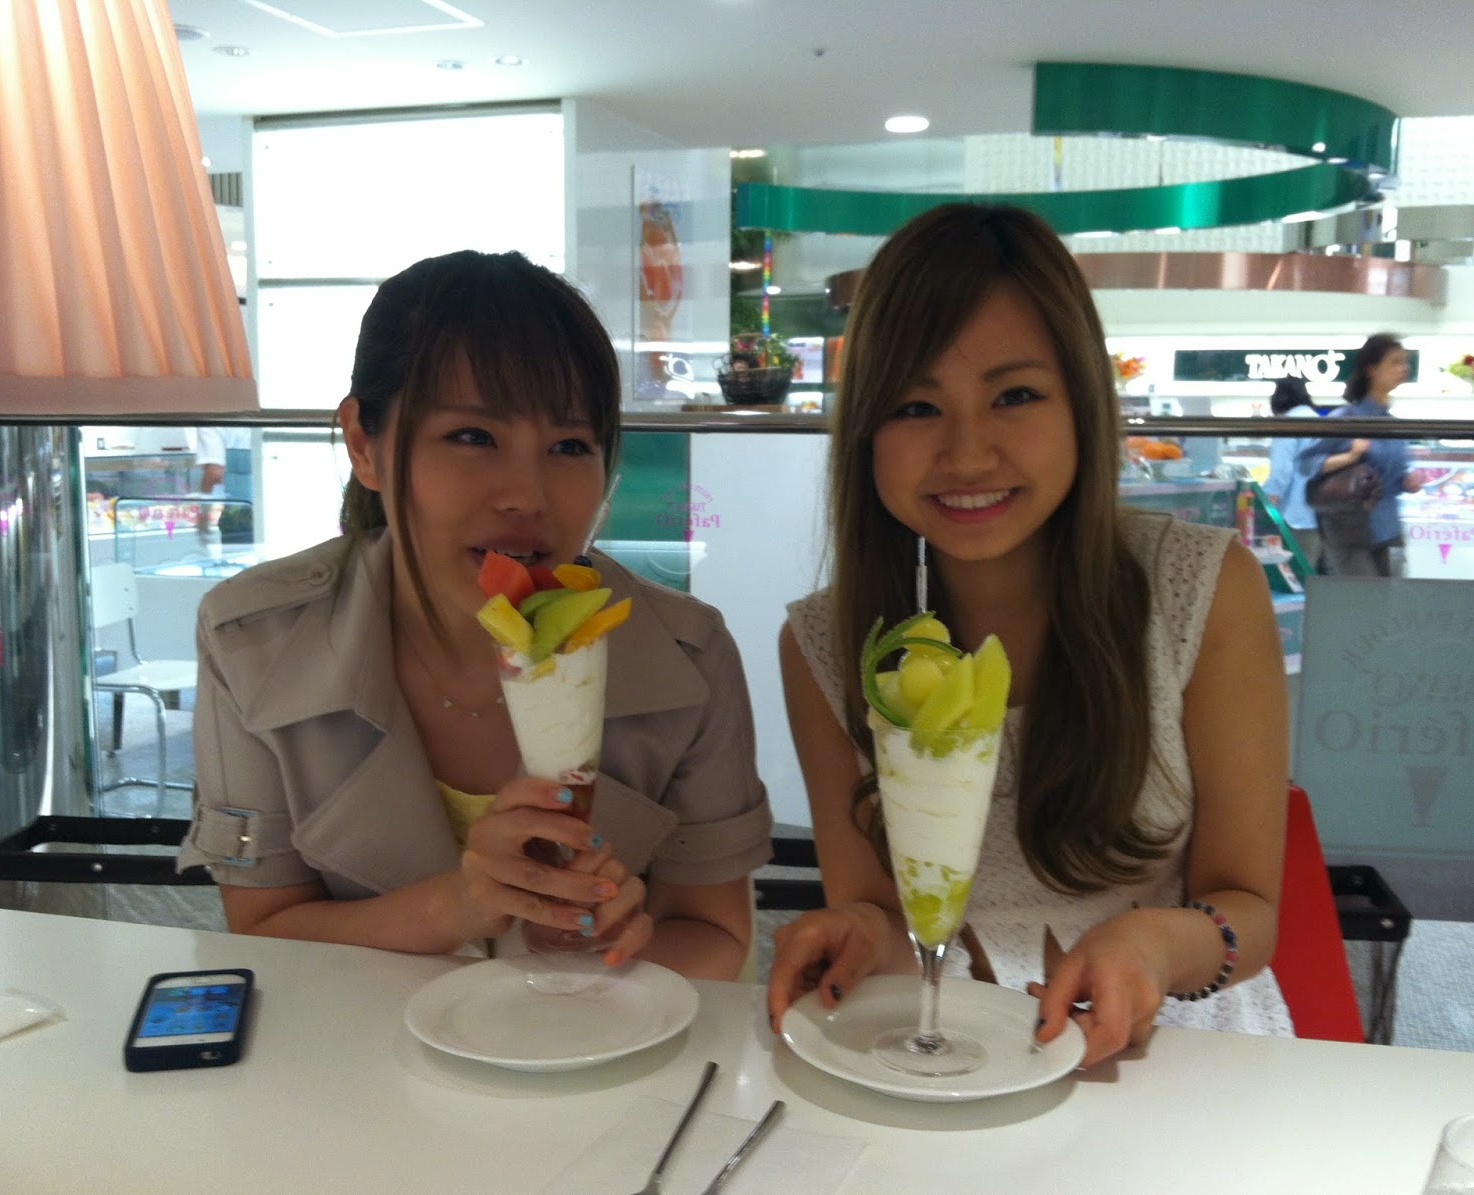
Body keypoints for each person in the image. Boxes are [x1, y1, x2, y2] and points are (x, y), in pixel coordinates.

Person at [766, 204, 1293, 1067]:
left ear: (1082, 401)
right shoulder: (825, 644)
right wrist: (853, 929)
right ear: (865, 434)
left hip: (1173, 1060)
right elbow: (881, 917)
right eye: (915, 405)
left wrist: (1154, 944)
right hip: (944, 1053)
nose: (968, 453)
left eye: (1014, 395)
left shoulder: (1203, 589)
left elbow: (1251, 910)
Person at [179, 250, 772, 980]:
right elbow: (261, 929)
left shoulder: (687, 657)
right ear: (365, 444)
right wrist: (455, 906)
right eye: (472, 437)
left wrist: (601, 946)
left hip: (597, 1043)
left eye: (569, 446)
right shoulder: (253, 643)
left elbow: (716, 936)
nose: (527, 495)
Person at [1299, 334, 1422, 577]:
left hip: (1388, 527)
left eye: (1405, 362)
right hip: (1348, 531)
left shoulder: (1393, 424)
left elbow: (1392, 476)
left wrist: (1406, 482)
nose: (1404, 368)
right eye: (1395, 362)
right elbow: (1305, 464)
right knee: (1362, 596)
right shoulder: (1346, 418)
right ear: (1372, 369)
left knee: (1392, 597)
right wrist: (1350, 456)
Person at [1264, 376, 1325, 572]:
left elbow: (1281, 472)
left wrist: (1266, 506)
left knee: (1294, 575)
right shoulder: (1320, 422)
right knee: (1310, 573)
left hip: (1294, 515)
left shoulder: (1289, 423)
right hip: (1319, 513)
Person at [192, 426, 255, 546]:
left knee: (241, 555)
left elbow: (214, 473)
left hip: (238, 515)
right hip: (273, 509)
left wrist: (204, 515)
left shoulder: (211, 423)